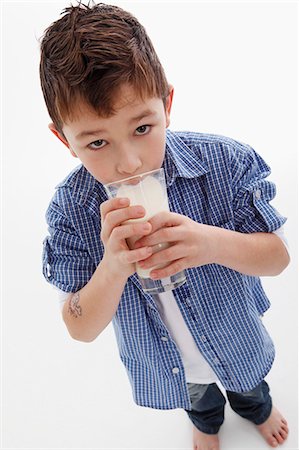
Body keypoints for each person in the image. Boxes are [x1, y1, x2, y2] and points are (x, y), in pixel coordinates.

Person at [40, 3, 290, 449]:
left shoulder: (224, 162)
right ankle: (207, 423)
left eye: (142, 128)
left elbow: (278, 257)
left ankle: (257, 409)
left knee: (252, 389)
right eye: (97, 142)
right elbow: (79, 327)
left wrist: (210, 243)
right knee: (200, 401)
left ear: (167, 105)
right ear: (65, 141)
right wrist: (113, 266)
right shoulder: (71, 212)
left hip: (236, 337)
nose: (129, 162)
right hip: (168, 362)